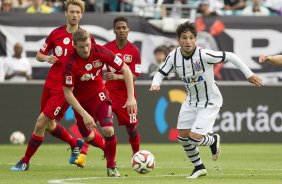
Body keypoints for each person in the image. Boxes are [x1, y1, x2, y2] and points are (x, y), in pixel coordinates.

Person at [149, 21, 263, 179]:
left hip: (210, 101)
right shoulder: (173, 56)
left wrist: (248, 74)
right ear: (178, 40)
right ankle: (199, 167)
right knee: (182, 137)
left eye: (191, 38)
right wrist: (156, 84)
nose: (188, 41)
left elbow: (230, 56)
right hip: (190, 101)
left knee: (194, 138)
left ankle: (212, 140)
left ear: (196, 39)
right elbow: (161, 72)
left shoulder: (204, 55)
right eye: (184, 38)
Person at [10, 0, 90, 171]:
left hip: (65, 88)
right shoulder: (56, 34)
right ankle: (75, 142)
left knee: (40, 124)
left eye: (78, 12)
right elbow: (39, 55)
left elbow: (92, 59)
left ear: (81, 15)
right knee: (49, 126)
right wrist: (47, 58)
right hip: (50, 83)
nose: (75, 15)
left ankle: (25, 161)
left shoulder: (85, 37)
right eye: (72, 12)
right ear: (66, 13)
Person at [63, 28, 137, 177]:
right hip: (80, 102)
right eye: (82, 46)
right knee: (88, 137)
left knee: (109, 130)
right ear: (74, 45)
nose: (86, 49)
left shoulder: (100, 51)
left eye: (88, 45)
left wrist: (131, 97)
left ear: (91, 41)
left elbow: (126, 70)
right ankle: (106, 148)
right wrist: (84, 114)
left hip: (99, 95)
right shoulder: (69, 63)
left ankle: (111, 167)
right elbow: (67, 92)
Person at [104, 16, 141, 155]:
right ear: (114, 30)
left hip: (126, 95)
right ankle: (83, 152)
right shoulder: (107, 48)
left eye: (124, 28)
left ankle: (136, 154)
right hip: (108, 92)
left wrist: (118, 76)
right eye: (118, 28)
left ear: (128, 30)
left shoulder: (134, 51)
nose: (121, 30)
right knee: (96, 121)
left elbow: (136, 75)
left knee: (131, 129)